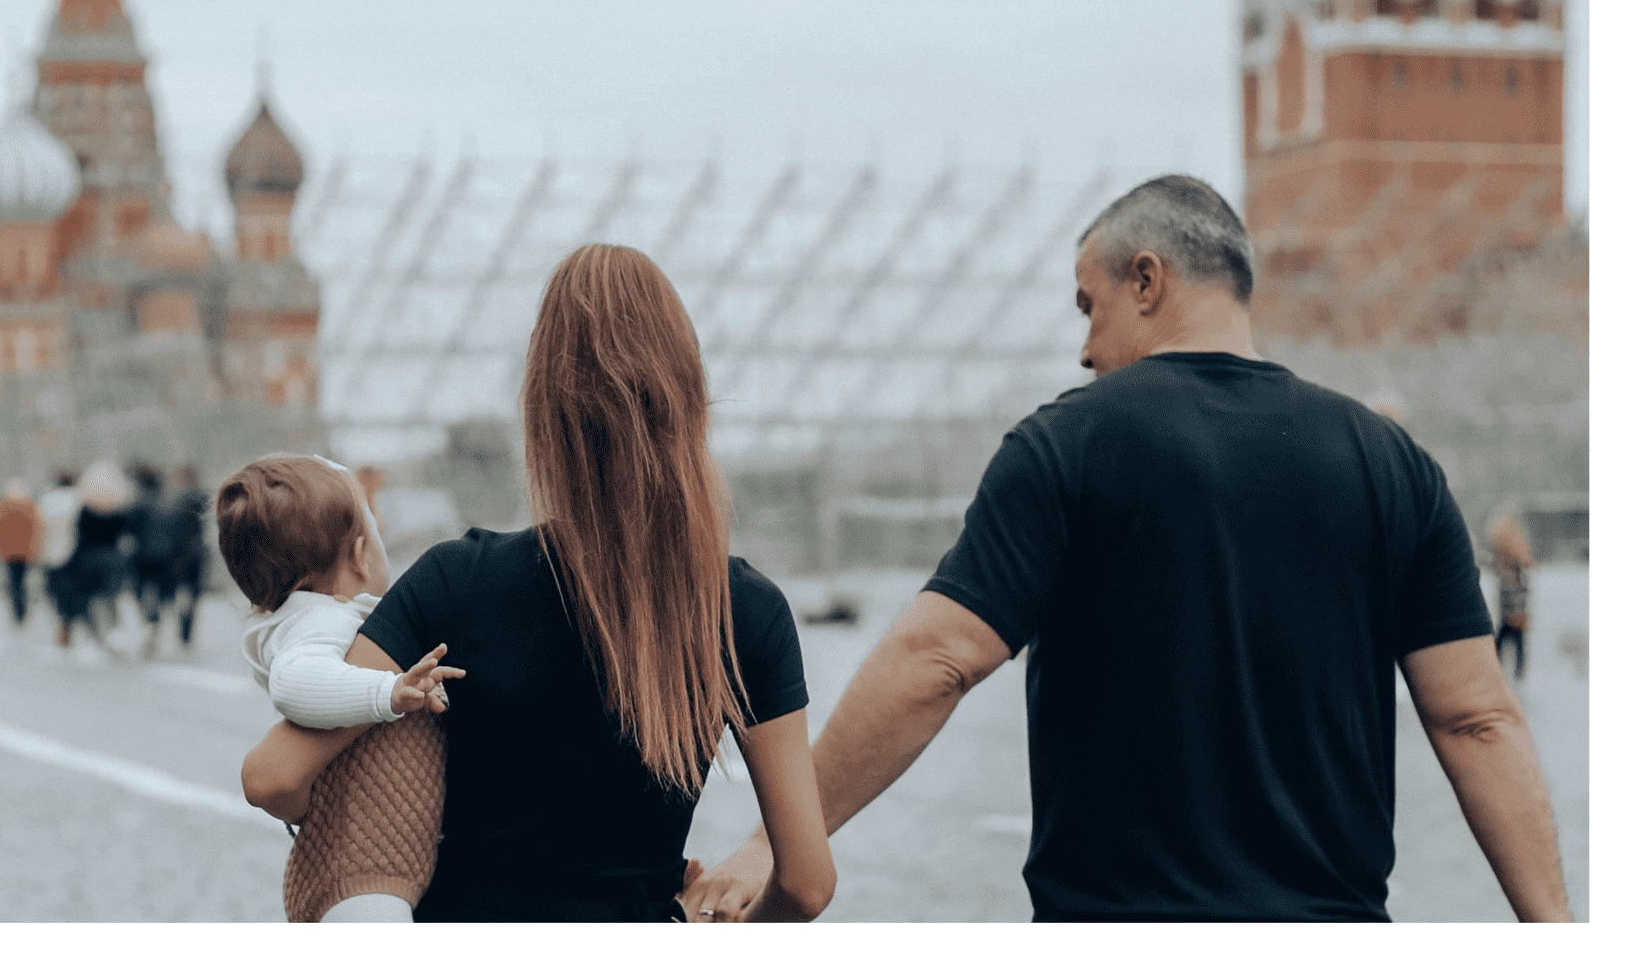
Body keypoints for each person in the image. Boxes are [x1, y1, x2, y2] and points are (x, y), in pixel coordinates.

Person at [686, 175, 1573, 924]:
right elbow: (1477, 718)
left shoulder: (1066, 447)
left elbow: (936, 659)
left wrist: (775, 842)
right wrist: (1559, 941)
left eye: (1089, 305)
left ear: (1147, 280)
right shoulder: (1394, 466)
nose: (1082, 348)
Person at [242, 243, 835, 924]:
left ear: (541, 408)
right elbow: (807, 883)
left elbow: (274, 776)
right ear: (690, 398)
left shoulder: (456, 582)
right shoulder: (744, 612)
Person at [217, 453, 463, 922]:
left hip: (376, 858)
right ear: (358, 556)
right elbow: (295, 682)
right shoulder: (320, 618)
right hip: (363, 870)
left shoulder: (314, 619)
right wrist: (388, 692)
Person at [64, 461, 132, 650]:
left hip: (88, 558)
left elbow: (77, 534)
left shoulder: (85, 510)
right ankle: (113, 631)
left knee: (89, 599)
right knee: (111, 599)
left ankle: (94, 636)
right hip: (112, 558)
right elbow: (125, 536)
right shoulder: (120, 510)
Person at [127, 464, 177, 654]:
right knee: (162, 594)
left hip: (143, 556)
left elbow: (129, 532)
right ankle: (155, 626)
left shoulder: (138, 504)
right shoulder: (170, 504)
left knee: (143, 592)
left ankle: (150, 625)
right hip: (167, 556)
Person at [36, 469, 83, 647]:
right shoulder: (78, 499)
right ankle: (68, 622)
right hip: (73, 553)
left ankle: (62, 620)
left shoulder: (47, 500)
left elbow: (39, 528)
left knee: (54, 590)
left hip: (49, 553)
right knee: (71, 590)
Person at [1487, 513, 1535, 680]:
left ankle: (1513, 673)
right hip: (1513, 612)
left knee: (1509, 640)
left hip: (1513, 612)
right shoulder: (1513, 565)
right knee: (1512, 641)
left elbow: (1516, 591)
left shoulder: (1511, 565)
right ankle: (1514, 673)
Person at [166, 464, 210, 648]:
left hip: (181, 553)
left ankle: (182, 632)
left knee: (182, 592)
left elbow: (174, 530)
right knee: (193, 594)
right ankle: (186, 635)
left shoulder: (176, 501)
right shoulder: (203, 496)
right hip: (198, 550)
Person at [0, 479, 42, 626]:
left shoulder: (2, 506)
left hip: (9, 552)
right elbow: (36, 528)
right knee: (22, 582)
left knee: (14, 583)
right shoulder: (30, 506)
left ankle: (17, 612)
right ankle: (22, 611)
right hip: (26, 552)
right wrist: (34, 550)